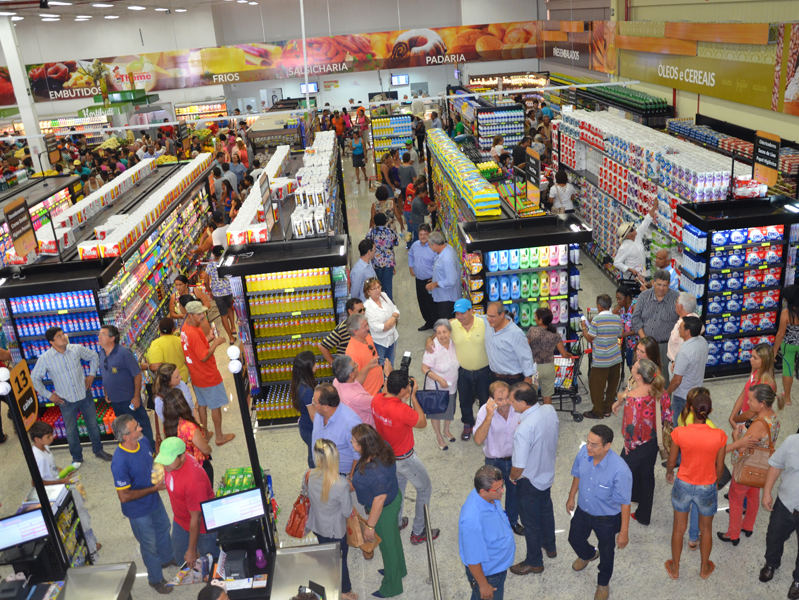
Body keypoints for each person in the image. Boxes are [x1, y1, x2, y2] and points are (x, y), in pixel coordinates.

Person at [665, 391, 727, 580]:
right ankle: (704, 568)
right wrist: (714, 483)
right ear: (710, 411)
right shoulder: (720, 435)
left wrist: (669, 473)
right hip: (706, 485)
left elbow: (672, 460)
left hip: (683, 483)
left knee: (678, 528)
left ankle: (675, 568)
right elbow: (720, 467)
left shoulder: (679, 432)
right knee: (706, 529)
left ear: (690, 408)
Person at [372, 370, 438, 545]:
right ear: (402, 390)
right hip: (405, 459)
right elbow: (422, 423)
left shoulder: (376, 400)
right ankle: (418, 531)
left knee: (399, 489)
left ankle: (398, 522)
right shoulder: (402, 410)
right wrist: (414, 396)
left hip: (388, 457)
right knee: (424, 489)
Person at [31, 327, 113, 468]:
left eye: (63, 334)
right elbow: (34, 379)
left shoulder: (76, 349)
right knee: (71, 430)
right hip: (65, 400)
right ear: (51, 342)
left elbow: (94, 356)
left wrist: (92, 375)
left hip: (84, 394)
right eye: (59, 336)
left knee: (93, 424)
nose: (64, 337)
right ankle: (77, 457)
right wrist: (49, 395)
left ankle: (98, 450)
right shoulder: (45, 358)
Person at [567, 425, 632, 600]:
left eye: (594, 445)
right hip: (583, 510)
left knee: (607, 551)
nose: (588, 447)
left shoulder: (620, 470)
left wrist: (624, 532)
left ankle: (603, 583)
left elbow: (625, 503)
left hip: (607, 519)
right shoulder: (584, 453)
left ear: (607, 446)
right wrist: (571, 496)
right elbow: (577, 475)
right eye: (588, 442)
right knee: (573, 539)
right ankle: (588, 554)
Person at [110, 415, 174, 594]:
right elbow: (123, 496)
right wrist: (153, 489)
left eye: (137, 425)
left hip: (154, 501)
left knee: (164, 527)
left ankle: (167, 558)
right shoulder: (119, 462)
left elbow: (153, 461)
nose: (141, 428)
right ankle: (155, 579)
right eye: (136, 428)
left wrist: (159, 470)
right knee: (149, 545)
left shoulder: (143, 441)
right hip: (138, 511)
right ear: (126, 437)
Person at [610, 358, 670, 527]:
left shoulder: (632, 400)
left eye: (634, 367)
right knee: (647, 475)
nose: (631, 367)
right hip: (653, 442)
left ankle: (616, 520)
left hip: (634, 447)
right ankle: (644, 515)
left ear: (637, 376)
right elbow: (667, 415)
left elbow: (630, 428)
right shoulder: (660, 391)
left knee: (620, 479)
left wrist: (628, 446)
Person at [721, 384, 783, 545]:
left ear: (762, 403)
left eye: (751, 400)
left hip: (747, 466)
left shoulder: (758, 424)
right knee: (753, 495)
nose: (748, 403)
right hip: (761, 467)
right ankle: (748, 526)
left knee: (735, 497)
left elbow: (742, 447)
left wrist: (736, 435)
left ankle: (733, 534)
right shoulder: (773, 418)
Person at [30, 421, 101, 559]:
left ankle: (89, 544)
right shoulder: (38, 458)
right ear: (37, 439)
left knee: (80, 513)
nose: (52, 438)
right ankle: (90, 548)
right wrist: (61, 481)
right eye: (48, 436)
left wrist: (65, 472)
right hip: (55, 494)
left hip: (61, 486)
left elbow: (53, 469)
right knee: (78, 517)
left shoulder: (45, 447)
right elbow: (35, 482)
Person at [350, 424, 406, 597]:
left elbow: (379, 500)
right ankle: (399, 570)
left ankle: (392, 587)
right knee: (394, 540)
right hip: (393, 498)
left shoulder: (375, 471)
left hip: (384, 510)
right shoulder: (384, 447)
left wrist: (370, 526)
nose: (351, 442)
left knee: (388, 548)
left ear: (364, 445)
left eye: (354, 441)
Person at [508, 382, 558, 577]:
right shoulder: (549, 410)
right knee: (546, 511)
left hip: (529, 481)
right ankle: (550, 546)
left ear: (522, 403)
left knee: (530, 523)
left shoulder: (523, 430)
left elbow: (519, 467)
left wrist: (512, 478)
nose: (510, 403)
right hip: (546, 474)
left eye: (512, 400)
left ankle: (534, 562)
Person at [155, 437, 218, 569]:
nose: (165, 465)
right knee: (179, 557)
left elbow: (196, 518)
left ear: (182, 457)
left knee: (210, 563)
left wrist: (192, 550)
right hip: (180, 520)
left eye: (169, 461)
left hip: (203, 528)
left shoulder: (194, 481)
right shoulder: (172, 465)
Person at [180, 301, 235, 447]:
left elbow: (195, 348)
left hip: (196, 375)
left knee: (202, 405)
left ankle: (205, 434)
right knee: (215, 406)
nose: (203, 317)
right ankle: (220, 436)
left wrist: (207, 339)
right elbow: (204, 357)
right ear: (190, 315)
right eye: (199, 314)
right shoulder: (193, 332)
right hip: (208, 375)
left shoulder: (185, 328)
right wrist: (215, 343)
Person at [307, 439, 357, 600]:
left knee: (326, 555)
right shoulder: (341, 484)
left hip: (317, 525)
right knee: (341, 561)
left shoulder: (309, 475)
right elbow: (347, 511)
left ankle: (328, 581)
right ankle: (346, 591)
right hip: (335, 530)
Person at [459, 465, 516, 600]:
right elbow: (473, 559)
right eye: (498, 489)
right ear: (483, 491)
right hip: (489, 575)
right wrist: (484, 585)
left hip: (497, 566)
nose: (502, 491)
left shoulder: (489, 496)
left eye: (502, 486)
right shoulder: (472, 521)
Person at [473, 381, 522, 536]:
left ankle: (512, 521)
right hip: (494, 462)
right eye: (500, 399)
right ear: (491, 400)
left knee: (514, 493)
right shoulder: (484, 412)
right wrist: (489, 417)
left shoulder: (518, 408)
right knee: (492, 494)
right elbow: (478, 440)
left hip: (515, 460)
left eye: (508, 397)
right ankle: (493, 523)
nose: (505, 403)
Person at [98, 325, 154, 448]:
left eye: (103, 334)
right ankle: (134, 448)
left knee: (140, 424)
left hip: (129, 399)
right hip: (115, 400)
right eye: (99, 334)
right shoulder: (102, 353)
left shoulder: (124, 353)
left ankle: (150, 448)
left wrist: (136, 397)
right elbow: (105, 374)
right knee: (125, 427)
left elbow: (137, 374)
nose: (99, 337)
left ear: (112, 338)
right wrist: (106, 392)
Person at [760, 433, 799, 598]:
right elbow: (776, 465)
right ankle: (771, 564)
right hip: (786, 503)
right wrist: (767, 492)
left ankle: (798, 580)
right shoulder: (793, 441)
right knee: (774, 537)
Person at [631, 269, 680, 384]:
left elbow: (681, 322)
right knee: (644, 376)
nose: (661, 288)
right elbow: (635, 318)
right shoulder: (644, 296)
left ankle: (663, 401)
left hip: (665, 347)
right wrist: (645, 340)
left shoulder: (676, 298)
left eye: (665, 285)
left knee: (663, 379)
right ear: (653, 283)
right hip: (645, 346)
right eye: (659, 284)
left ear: (669, 284)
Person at [581, 295, 623, 420]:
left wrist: (584, 327)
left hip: (601, 360)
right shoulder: (617, 318)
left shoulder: (597, 320)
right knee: (612, 385)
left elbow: (590, 337)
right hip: (615, 358)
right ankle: (607, 409)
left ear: (599, 306)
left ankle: (598, 411)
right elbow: (619, 334)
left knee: (596, 386)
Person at [422, 319, 460, 450]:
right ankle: (439, 436)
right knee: (436, 413)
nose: (442, 335)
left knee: (449, 410)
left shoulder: (455, 343)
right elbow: (425, 368)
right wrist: (440, 380)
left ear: (450, 332)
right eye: (438, 333)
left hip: (452, 385)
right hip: (436, 387)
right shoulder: (432, 347)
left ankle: (446, 430)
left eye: (444, 331)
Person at [163, 386, 213, 484]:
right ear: (182, 404)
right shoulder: (188, 427)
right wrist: (209, 449)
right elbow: (205, 449)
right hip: (198, 466)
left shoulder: (167, 426)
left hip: (183, 468)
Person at [311, 384, 362, 476]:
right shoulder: (319, 414)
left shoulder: (351, 423)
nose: (312, 404)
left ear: (326, 406)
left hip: (340, 477)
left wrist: (351, 478)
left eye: (315, 402)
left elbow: (359, 454)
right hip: (321, 472)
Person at [666, 315, 708, 425]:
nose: (678, 329)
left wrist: (667, 393)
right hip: (696, 391)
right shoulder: (702, 341)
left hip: (682, 396)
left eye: (680, 327)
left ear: (687, 331)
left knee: (678, 425)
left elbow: (677, 381)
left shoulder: (684, 352)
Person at [527, 307, 574, 405]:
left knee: (532, 396)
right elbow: (564, 354)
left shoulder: (532, 331)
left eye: (536, 317)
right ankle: (548, 416)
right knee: (547, 396)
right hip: (549, 368)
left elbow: (525, 349)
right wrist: (571, 355)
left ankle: (534, 417)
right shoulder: (555, 333)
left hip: (534, 370)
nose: (534, 318)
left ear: (540, 320)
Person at [485, 302, 536, 386]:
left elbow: (526, 356)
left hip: (513, 380)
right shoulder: (488, 325)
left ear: (502, 315)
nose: (489, 319)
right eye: (488, 315)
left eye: (492, 316)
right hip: (495, 379)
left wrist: (529, 377)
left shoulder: (515, 333)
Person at [729, 343, 777, 428]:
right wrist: (732, 416)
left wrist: (735, 420)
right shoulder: (755, 371)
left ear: (765, 361)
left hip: (752, 423)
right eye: (751, 356)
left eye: (755, 358)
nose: (751, 359)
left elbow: (750, 414)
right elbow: (744, 393)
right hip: (742, 416)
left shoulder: (766, 384)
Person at [613, 205, 657, 287]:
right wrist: (630, 270)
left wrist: (654, 206)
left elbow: (646, 222)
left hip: (641, 272)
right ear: (628, 235)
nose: (634, 229)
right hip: (632, 277)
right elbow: (616, 262)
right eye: (632, 230)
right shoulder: (624, 247)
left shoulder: (637, 236)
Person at [345, 313, 388, 396]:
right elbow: (355, 381)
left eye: (367, 325)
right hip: (370, 395)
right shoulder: (352, 353)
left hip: (379, 387)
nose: (368, 328)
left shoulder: (367, 336)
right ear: (355, 331)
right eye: (364, 326)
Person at [202, 246, 237, 344]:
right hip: (229, 291)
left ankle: (230, 337)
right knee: (230, 308)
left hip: (217, 294)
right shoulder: (227, 262)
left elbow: (205, 281)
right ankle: (233, 327)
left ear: (213, 254)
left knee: (223, 314)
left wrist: (209, 290)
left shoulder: (210, 265)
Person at [142, 318, 190, 385]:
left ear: (159, 328)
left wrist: (146, 366)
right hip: (182, 377)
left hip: (168, 381)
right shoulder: (179, 340)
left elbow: (155, 367)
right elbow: (186, 359)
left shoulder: (157, 344)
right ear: (173, 329)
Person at [363, 277, 400, 365]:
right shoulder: (367, 306)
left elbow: (396, 309)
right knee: (380, 367)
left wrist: (392, 320)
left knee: (391, 365)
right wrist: (394, 318)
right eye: (374, 289)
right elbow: (377, 328)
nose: (377, 290)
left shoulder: (384, 295)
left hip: (392, 337)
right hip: (380, 343)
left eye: (378, 287)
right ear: (368, 292)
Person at [332, 355, 377, 425]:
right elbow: (380, 404)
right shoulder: (357, 397)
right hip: (366, 429)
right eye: (355, 365)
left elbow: (356, 382)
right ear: (351, 375)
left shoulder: (337, 381)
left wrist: (368, 367)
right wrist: (387, 376)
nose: (357, 364)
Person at [291, 351, 318, 469]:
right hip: (310, 430)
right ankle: (312, 477)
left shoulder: (299, 382)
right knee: (314, 457)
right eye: (314, 363)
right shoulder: (307, 391)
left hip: (304, 426)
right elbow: (314, 417)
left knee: (311, 452)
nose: (317, 366)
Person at [427, 231, 463, 319]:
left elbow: (451, 281)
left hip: (447, 299)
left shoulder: (446, 259)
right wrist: (436, 277)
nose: (429, 247)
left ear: (435, 244)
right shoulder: (448, 248)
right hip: (444, 296)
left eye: (429, 245)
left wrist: (435, 284)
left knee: (447, 323)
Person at [666, 292, 702, 379]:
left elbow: (685, 347)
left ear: (680, 306)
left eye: (676, 302)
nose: (675, 304)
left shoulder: (684, 327)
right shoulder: (695, 318)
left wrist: (677, 362)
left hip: (678, 366)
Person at [773, 284, 799, 405]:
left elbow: (780, 334)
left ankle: (787, 398)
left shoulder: (786, 312)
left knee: (788, 369)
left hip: (789, 345)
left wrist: (774, 352)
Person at [319, 298, 364, 365]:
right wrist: (334, 365)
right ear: (350, 312)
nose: (363, 313)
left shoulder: (364, 325)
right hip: (348, 369)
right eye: (360, 311)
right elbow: (323, 347)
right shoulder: (342, 328)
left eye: (364, 310)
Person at [408, 224, 437, 330]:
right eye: (421, 234)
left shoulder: (433, 247)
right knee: (422, 303)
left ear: (429, 234)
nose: (423, 236)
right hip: (419, 280)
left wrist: (436, 277)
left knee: (432, 304)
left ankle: (436, 324)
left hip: (430, 281)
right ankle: (428, 322)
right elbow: (410, 255)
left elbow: (438, 263)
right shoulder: (415, 245)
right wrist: (411, 267)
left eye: (425, 234)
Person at [366, 213, 399, 300]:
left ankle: (380, 301)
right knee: (388, 283)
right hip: (389, 262)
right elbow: (396, 242)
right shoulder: (390, 231)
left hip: (376, 262)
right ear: (385, 221)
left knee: (378, 284)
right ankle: (390, 303)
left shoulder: (371, 232)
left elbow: (367, 243)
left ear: (374, 222)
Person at [613, 285, 638, 369]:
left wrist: (624, 334)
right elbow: (611, 314)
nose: (618, 301)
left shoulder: (635, 307)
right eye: (617, 298)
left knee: (636, 368)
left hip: (637, 344)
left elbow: (639, 328)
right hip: (629, 344)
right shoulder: (622, 307)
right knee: (630, 366)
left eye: (620, 298)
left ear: (627, 298)